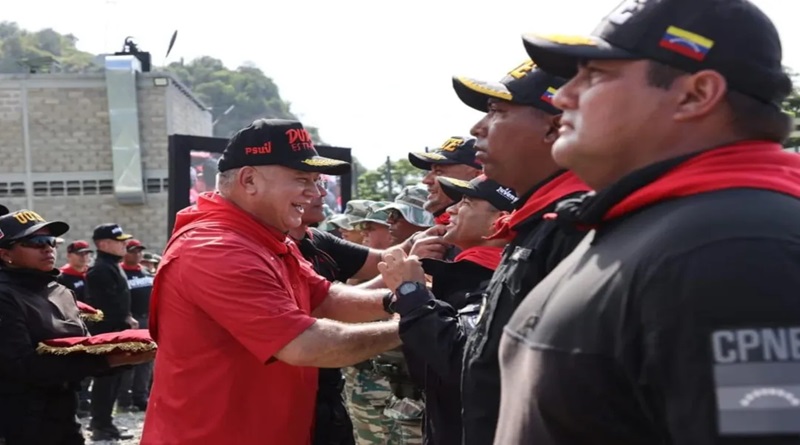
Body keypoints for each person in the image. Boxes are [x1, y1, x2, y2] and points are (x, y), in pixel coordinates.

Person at [492, 1, 800, 444]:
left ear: (695, 95)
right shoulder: (657, 226)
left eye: (594, 75)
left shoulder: (739, 249)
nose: (562, 97)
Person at [141, 119, 402, 445]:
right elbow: (304, 344)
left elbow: (326, 299)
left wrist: (399, 301)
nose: (316, 192)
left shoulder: (268, 239)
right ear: (249, 180)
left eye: (317, 180)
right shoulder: (215, 249)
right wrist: (408, 328)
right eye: (301, 179)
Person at [449, 60, 591, 445]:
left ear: (552, 126)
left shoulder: (576, 226)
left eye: (497, 112)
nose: (477, 128)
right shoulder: (538, 223)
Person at [380, 175, 518, 445]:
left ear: (498, 220)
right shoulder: (461, 273)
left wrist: (411, 293)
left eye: (465, 202)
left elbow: (463, 365)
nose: (451, 209)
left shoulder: (498, 280)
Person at [0, 210, 153, 445]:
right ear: (5, 253)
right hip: (17, 423)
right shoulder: (5, 296)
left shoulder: (60, 291)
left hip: (64, 416)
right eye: (35, 242)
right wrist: (109, 361)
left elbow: (82, 348)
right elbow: (22, 367)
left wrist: (121, 356)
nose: (47, 248)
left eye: (50, 241)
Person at [86, 223, 138, 441]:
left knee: (114, 381)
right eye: (119, 241)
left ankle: (106, 423)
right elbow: (105, 305)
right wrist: (124, 319)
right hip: (108, 332)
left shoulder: (112, 265)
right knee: (106, 381)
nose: (124, 244)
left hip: (118, 329)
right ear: (103, 244)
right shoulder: (100, 270)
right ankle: (101, 425)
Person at [57, 240, 95, 417]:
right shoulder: (63, 277)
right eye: (80, 254)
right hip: (73, 326)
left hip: (93, 325)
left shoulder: (90, 275)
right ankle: (77, 402)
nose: (84, 257)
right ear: (69, 255)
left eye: (87, 253)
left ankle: (85, 399)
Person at [408, 136, 482, 226]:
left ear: (477, 176)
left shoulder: (484, 231)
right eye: (430, 171)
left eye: (439, 172)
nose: (426, 180)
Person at [116, 239, 155, 412]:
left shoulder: (146, 273)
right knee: (129, 360)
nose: (137, 254)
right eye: (133, 251)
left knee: (147, 361)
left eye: (139, 251)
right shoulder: (120, 272)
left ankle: (141, 397)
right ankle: (124, 400)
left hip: (147, 319)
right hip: (131, 321)